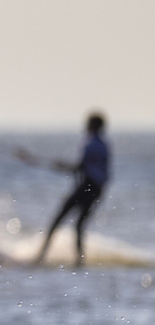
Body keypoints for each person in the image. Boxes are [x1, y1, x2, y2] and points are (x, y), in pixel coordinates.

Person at [31, 113, 111, 266]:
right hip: (97, 189)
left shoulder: (91, 144)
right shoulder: (104, 145)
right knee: (79, 224)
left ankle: (41, 258)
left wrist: (62, 166)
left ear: (92, 126)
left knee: (58, 220)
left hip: (88, 186)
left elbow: (81, 167)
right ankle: (79, 260)